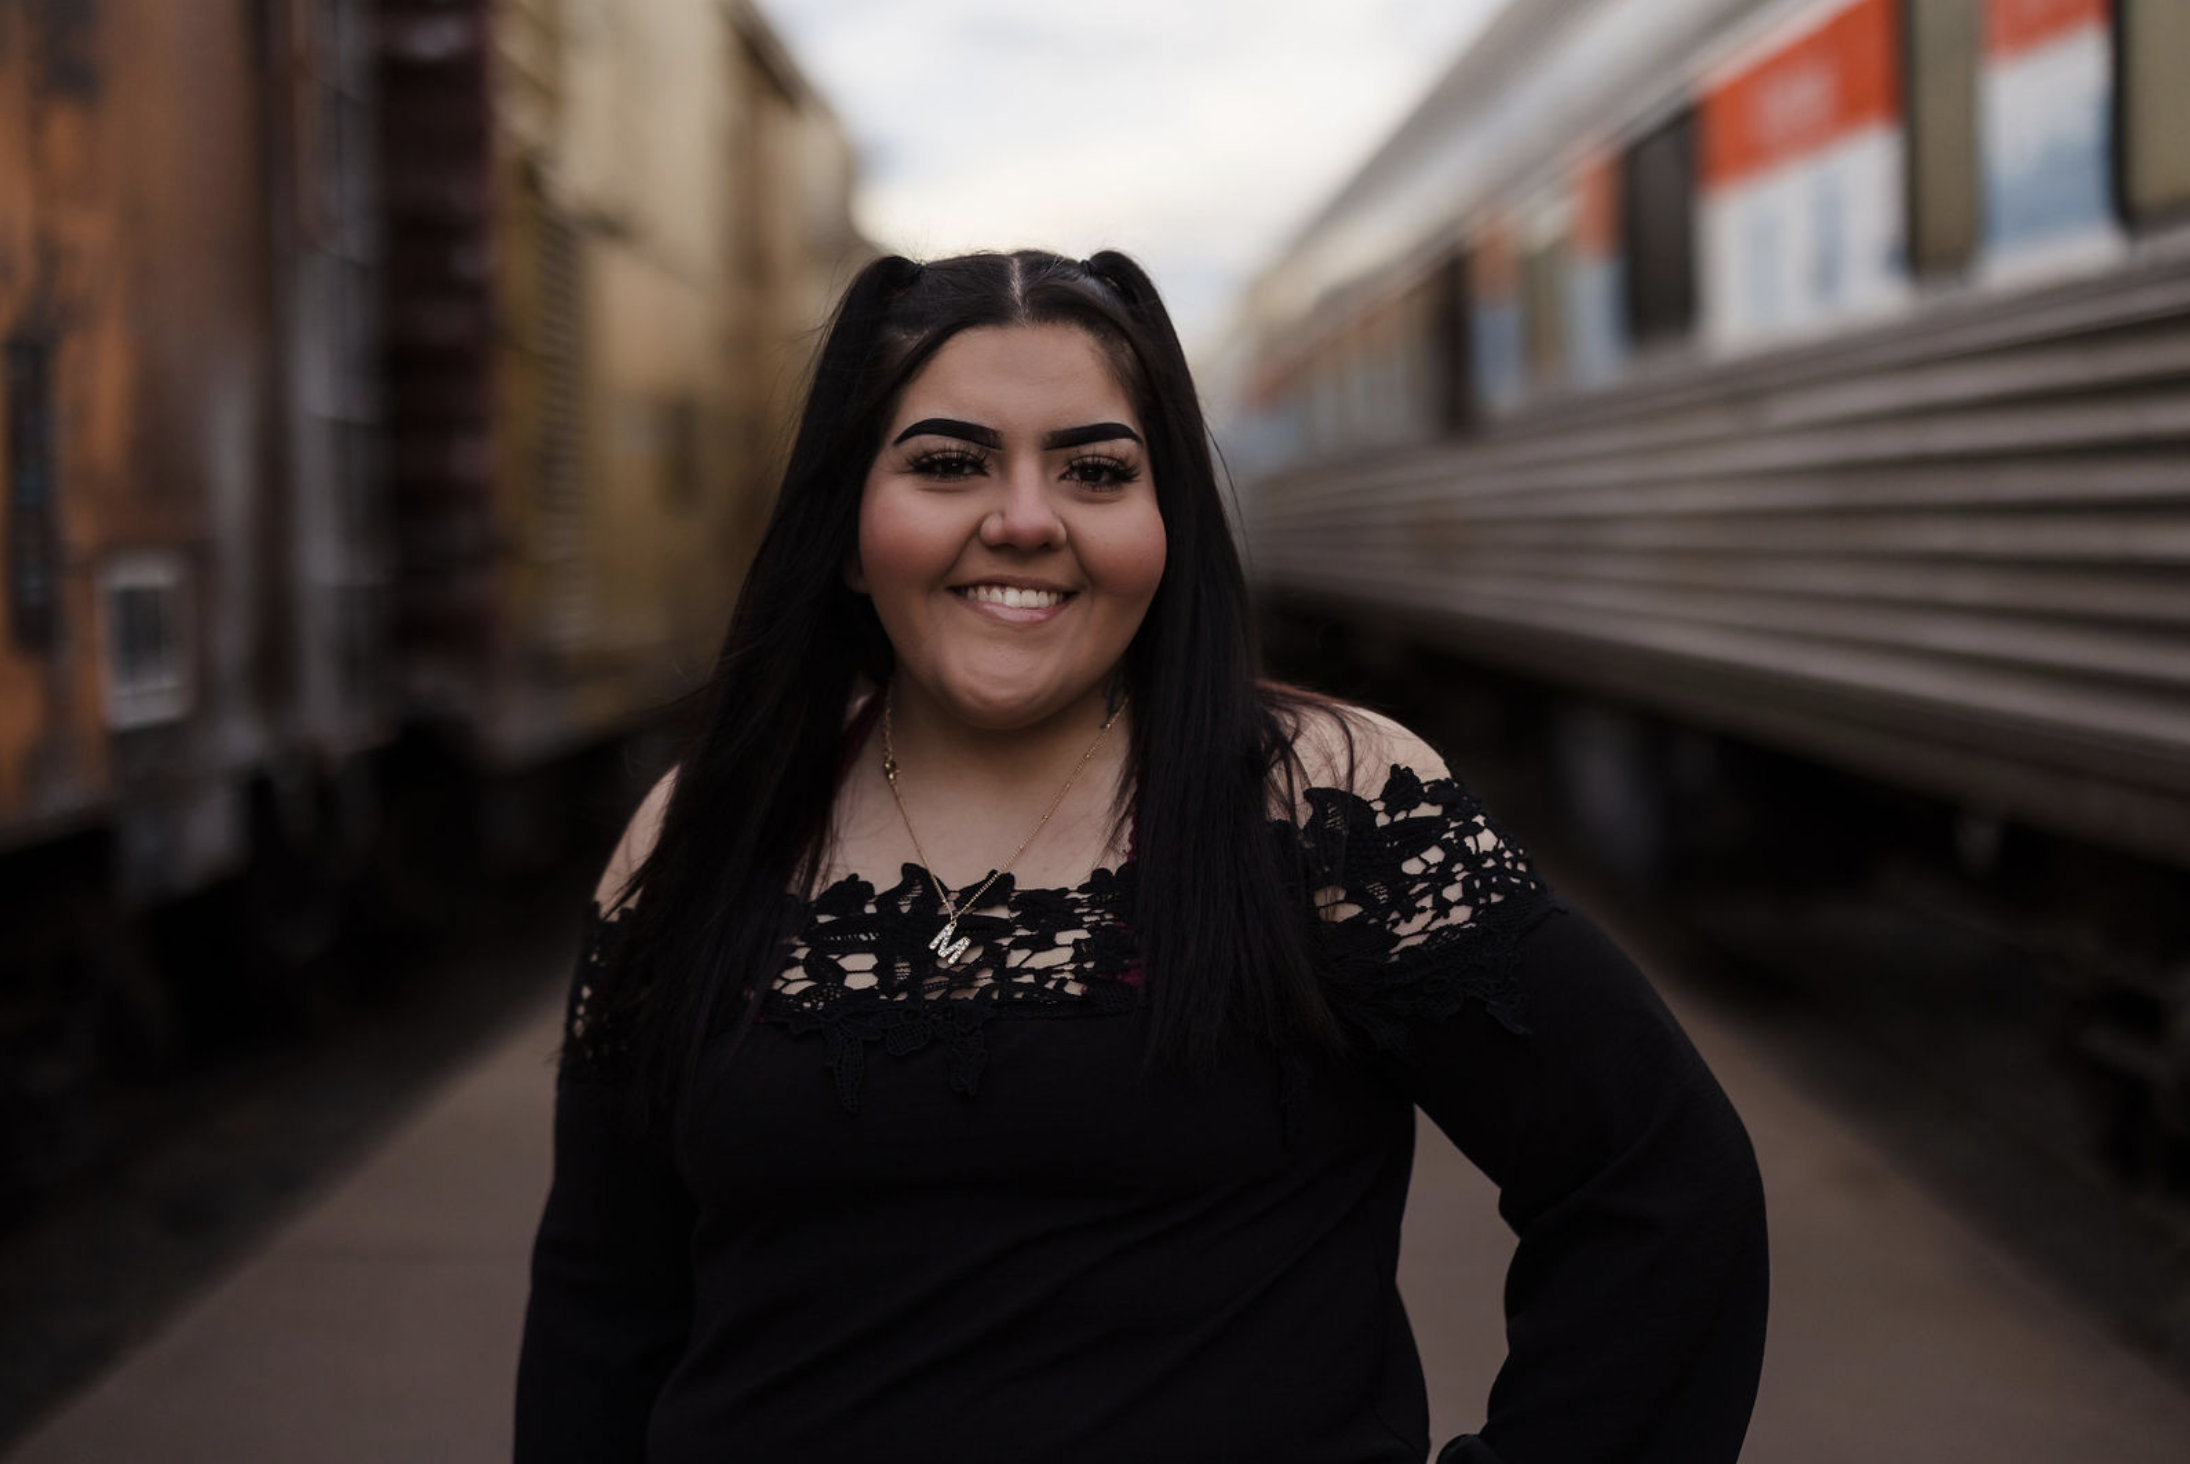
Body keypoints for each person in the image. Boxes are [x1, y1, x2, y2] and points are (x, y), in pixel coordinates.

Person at [514, 250, 1767, 1463]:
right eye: (948, 463)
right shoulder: (698, 832)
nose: (1022, 520)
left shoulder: (1327, 801)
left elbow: (1658, 1186)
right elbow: (602, 1309)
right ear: (846, 531)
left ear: (1166, 524)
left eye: (1096, 472)